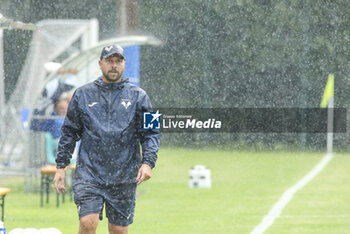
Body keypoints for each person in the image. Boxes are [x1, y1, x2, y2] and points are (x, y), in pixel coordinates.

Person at [54, 44, 160, 234]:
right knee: (87, 223)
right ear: (100, 63)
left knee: (118, 230)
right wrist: (61, 166)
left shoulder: (140, 96)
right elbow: (69, 132)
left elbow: (152, 132)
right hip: (90, 173)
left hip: (124, 175)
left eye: (118, 61)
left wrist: (148, 163)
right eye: (109, 61)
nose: (114, 65)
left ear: (124, 64)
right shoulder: (82, 94)